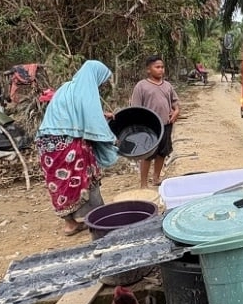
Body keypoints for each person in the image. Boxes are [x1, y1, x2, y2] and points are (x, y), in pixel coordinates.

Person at [35, 60, 119, 236]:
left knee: (60, 183)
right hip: (66, 142)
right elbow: (91, 121)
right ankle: (99, 220)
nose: (101, 84)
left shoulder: (68, 87)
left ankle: (70, 224)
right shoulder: (86, 90)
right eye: (101, 80)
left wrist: (102, 115)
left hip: (47, 144)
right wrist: (112, 139)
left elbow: (75, 112)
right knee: (85, 177)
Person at [130, 55, 180, 188]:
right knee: (147, 155)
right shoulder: (141, 86)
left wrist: (176, 112)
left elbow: (175, 103)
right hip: (149, 127)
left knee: (162, 152)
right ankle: (143, 184)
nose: (161, 70)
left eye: (162, 67)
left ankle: (156, 178)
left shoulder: (168, 86)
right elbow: (136, 107)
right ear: (148, 69)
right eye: (157, 67)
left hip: (166, 124)